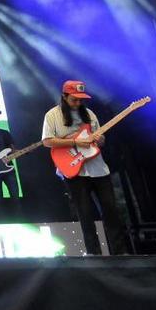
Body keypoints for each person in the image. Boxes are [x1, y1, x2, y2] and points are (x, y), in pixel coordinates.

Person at [42, 80, 128, 255]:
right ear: (64, 97)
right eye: (74, 99)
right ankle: (93, 253)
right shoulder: (53, 115)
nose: (78, 103)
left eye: (81, 99)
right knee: (85, 212)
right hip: (74, 170)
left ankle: (120, 252)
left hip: (97, 168)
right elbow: (47, 141)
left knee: (111, 208)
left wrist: (100, 140)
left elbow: (99, 139)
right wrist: (75, 141)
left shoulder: (89, 114)